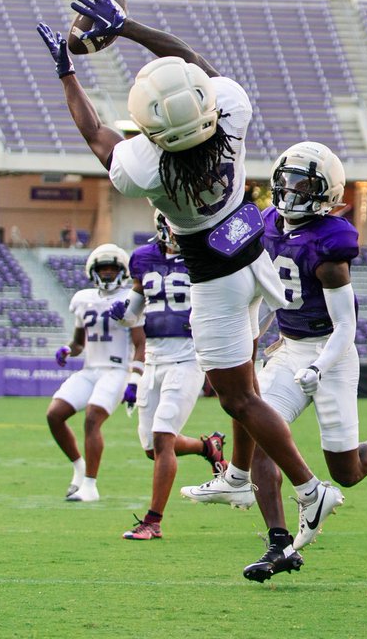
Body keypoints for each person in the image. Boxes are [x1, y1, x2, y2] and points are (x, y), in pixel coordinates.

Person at [38, 0, 342, 550]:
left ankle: (308, 486)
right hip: (253, 255)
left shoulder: (148, 165)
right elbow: (196, 67)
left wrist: (67, 73)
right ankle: (239, 477)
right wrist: (127, 27)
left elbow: (96, 134)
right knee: (246, 383)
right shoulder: (229, 119)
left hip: (215, 282)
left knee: (238, 399)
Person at [182, 143, 367, 580]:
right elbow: (249, 278)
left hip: (330, 354)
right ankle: (279, 544)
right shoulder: (263, 222)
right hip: (290, 345)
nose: (291, 190)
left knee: (347, 471)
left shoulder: (331, 243)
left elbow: (346, 328)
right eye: (287, 179)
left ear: (325, 193)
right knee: (261, 430)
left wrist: (319, 368)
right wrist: (249, 330)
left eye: (303, 183)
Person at [113, 211, 227, 540]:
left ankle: (153, 520)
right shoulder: (142, 258)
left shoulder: (203, 256)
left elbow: (222, 300)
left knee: (163, 437)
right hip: (153, 358)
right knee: (152, 447)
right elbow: (133, 313)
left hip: (187, 358)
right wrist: (122, 312)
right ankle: (209, 447)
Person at [47, 244, 143, 502]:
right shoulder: (82, 298)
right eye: (104, 269)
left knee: (92, 419)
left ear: (123, 271)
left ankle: (90, 485)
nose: (109, 273)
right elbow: (79, 343)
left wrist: (135, 378)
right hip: (90, 369)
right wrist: (68, 349)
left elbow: (141, 342)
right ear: (94, 271)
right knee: (55, 415)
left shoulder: (130, 298)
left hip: (116, 370)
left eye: (113, 268)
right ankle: (78, 468)